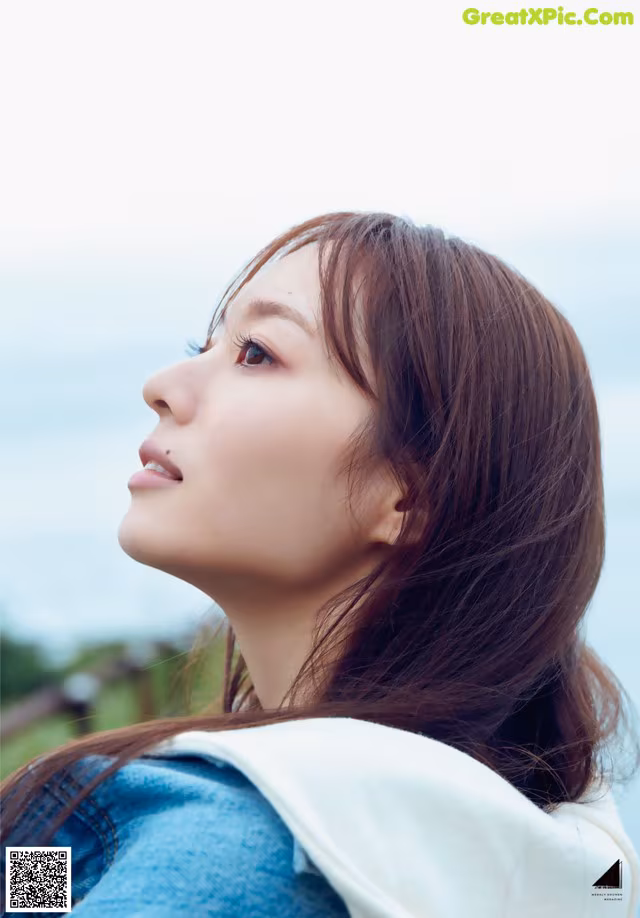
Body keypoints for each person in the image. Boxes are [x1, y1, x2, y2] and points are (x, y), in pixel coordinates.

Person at [1, 210, 639, 917]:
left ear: (407, 497)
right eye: (202, 344)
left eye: (257, 354)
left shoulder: (226, 853)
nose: (162, 384)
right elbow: (34, 893)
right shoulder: (551, 843)